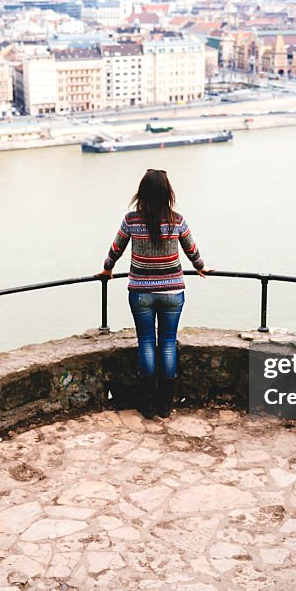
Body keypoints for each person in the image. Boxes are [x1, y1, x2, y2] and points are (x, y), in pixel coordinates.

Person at [98, 169, 211, 419]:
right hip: (172, 291)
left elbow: (115, 248)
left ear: (142, 192)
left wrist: (107, 269)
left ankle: (147, 405)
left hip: (141, 291)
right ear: (167, 192)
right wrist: (200, 267)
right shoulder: (177, 220)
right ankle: (165, 406)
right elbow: (192, 249)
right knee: (168, 343)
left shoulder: (131, 220)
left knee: (147, 342)